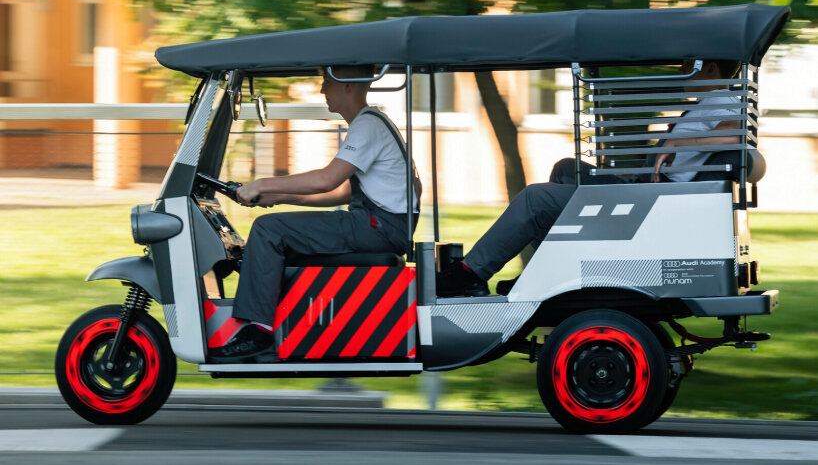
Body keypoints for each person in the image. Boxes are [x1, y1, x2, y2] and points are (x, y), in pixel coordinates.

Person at [436, 59, 742, 297]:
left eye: (689, 66)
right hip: (651, 194)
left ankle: (468, 274)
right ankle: (548, 269)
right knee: (566, 169)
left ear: (711, 68)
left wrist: (677, 143)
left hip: (659, 204)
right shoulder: (707, 104)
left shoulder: (723, 100)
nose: (681, 70)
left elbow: (732, 137)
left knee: (535, 198)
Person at [210, 65, 420, 361]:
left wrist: (262, 183)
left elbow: (326, 180)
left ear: (348, 84)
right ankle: (277, 316)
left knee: (268, 230)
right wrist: (279, 196)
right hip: (380, 224)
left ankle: (258, 332)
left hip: (378, 226)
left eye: (326, 82)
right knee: (275, 230)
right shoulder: (372, 122)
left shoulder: (367, 125)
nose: (323, 89)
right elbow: (342, 192)